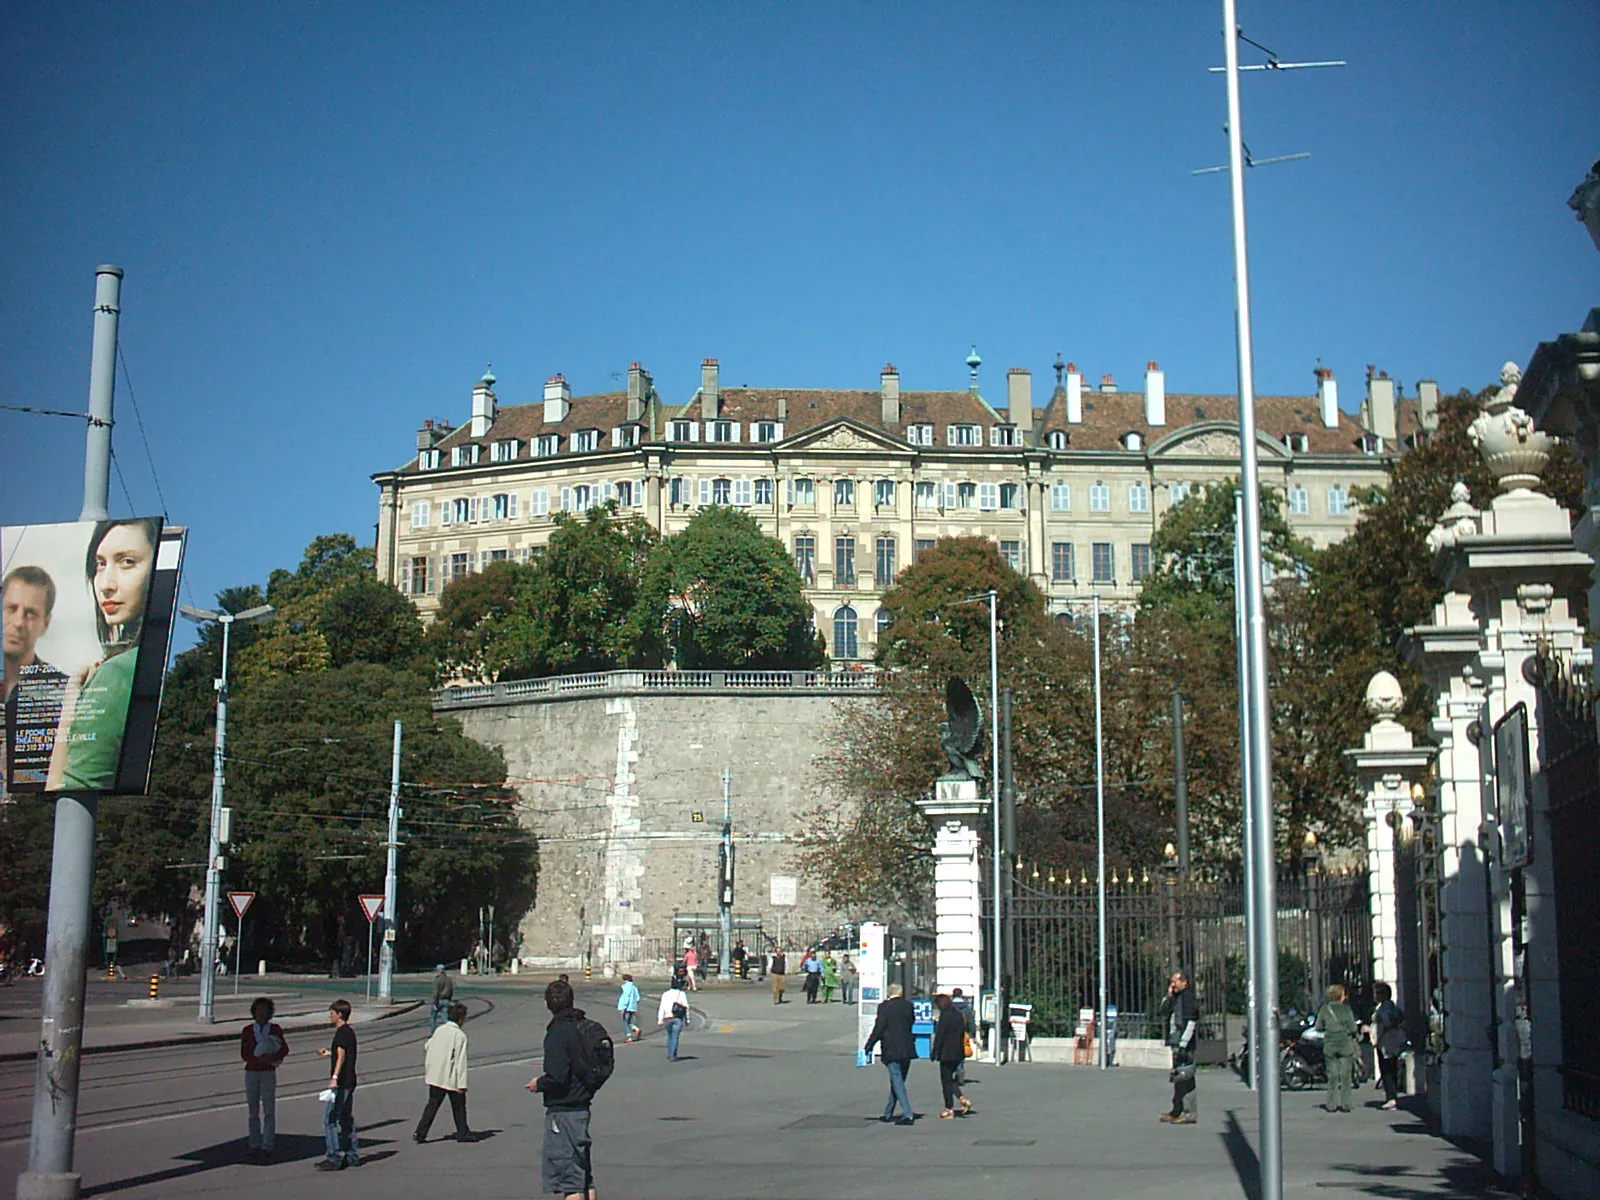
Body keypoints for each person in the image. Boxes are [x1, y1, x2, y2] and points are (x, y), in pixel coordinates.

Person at [45, 519, 159, 792]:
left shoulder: (117, 673)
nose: (106, 584)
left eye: (127, 562)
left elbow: (61, 786)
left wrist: (70, 704)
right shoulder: (140, 664)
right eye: (100, 564)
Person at [525, 977, 598, 1200]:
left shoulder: (558, 1032)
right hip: (581, 1106)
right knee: (583, 1175)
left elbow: (557, 1077)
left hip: (563, 1111)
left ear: (548, 1004)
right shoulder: (579, 1027)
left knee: (570, 1180)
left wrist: (539, 1084)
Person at [3, 565, 66, 791]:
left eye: (30, 613)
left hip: (32, 812)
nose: (18, 623)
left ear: (45, 623)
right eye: (11, 608)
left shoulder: (63, 692)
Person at [415, 1001, 474, 1142]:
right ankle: (462, 1133)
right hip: (450, 1077)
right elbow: (460, 1061)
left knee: (432, 1104)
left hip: (435, 1075)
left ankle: (420, 1133)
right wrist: (462, 1084)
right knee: (459, 1106)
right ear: (460, 1019)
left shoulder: (439, 1030)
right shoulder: (459, 1035)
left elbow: (427, 1046)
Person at [240, 997, 289, 1159]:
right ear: (254, 1012)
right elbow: (244, 1053)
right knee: (253, 1109)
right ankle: (254, 1143)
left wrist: (272, 1057)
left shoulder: (275, 1029)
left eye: (265, 1010)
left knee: (269, 1109)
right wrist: (258, 1059)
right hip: (252, 1071)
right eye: (259, 1010)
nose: (262, 1013)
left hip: (268, 1071)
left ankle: (267, 1144)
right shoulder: (248, 1030)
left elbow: (284, 1049)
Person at [315, 999, 360, 1170]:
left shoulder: (341, 1033)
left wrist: (334, 1077)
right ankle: (352, 1154)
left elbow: (341, 1056)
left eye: (332, 1013)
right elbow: (342, 1053)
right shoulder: (349, 1032)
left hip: (342, 1082)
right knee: (346, 1118)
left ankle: (333, 1157)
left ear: (339, 1014)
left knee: (330, 1119)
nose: (330, 1015)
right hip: (350, 1081)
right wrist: (329, 1053)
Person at [864, 983, 917, 1125]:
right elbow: (911, 1022)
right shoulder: (908, 1006)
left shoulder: (884, 1007)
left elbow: (879, 1028)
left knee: (897, 1080)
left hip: (891, 1048)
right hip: (907, 1048)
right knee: (898, 1080)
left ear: (889, 993)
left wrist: (869, 1045)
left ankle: (908, 1114)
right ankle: (888, 1112)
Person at [1157, 970, 1199, 1125]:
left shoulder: (1188, 998)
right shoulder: (1175, 998)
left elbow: (1191, 1022)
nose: (1173, 984)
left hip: (1185, 1043)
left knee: (1186, 1077)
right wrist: (1168, 995)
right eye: (1172, 981)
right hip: (1175, 1041)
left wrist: (1183, 1044)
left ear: (1185, 982)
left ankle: (1189, 1113)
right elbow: (1162, 1011)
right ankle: (1177, 1109)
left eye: (1175, 981)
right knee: (1178, 1077)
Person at [1316, 983, 1360, 1113]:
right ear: (1341, 996)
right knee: (1345, 1075)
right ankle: (1346, 1104)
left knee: (1332, 1075)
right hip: (1345, 1044)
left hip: (1330, 1044)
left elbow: (1318, 1027)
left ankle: (1331, 1104)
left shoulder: (1324, 1009)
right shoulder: (1346, 1009)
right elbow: (1353, 1028)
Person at [1365, 981, 1408, 1110]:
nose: (1375, 996)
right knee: (1388, 1069)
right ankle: (1391, 1096)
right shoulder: (1384, 1007)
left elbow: (1387, 1023)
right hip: (1385, 1042)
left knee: (1388, 1069)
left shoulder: (1386, 1009)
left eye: (1377, 993)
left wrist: (1374, 1029)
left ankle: (1391, 1097)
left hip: (1387, 1043)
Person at [932, 994, 973, 1119]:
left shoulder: (945, 1016)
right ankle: (962, 1098)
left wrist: (935, 1051)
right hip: (958, 1052)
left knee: (946, 1081)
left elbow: (940, 1036)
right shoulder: (959, 1015)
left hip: (946, 1053)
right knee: (950, 1079)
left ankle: (949, 1108)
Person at [659, 973, 689, 1061]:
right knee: (675, 1036)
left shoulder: (665, 994)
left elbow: (662, 1007)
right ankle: (673, 1055)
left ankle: (669, 1053)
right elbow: (686, 1007)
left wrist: (660, 1019)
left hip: (667, 1017)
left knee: (670, 1035)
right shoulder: (681, 994)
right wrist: (687, 1019)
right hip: (678, 1018)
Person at [429, 965, 454, 1034]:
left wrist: (435, 1003)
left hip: (438, 1000)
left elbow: (435, 993)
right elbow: (451, 991)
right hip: (446, 1000)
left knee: (433, 1018)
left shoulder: (437, 980)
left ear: (439, 971)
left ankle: (433, 1033)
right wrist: (449, 999)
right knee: (445, 1018)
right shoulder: (449, 980)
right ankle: (448, 1032)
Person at [616, 973, 641, 1042]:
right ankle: (635, 1029)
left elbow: (626, 997)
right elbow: (638, 998)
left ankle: (629, 1036)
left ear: (625, 980)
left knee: (625, 1022)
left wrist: (623, 1007)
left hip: (627, 1007)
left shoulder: (626, 987)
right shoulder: (634, 987)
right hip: (633, 1007)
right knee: (628, 1021)